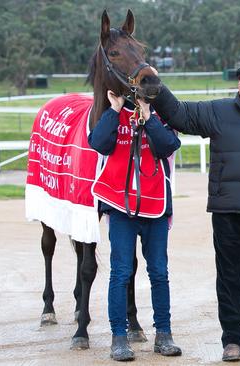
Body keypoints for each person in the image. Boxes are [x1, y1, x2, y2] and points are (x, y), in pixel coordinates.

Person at [148, 61, 240, 362]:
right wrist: (156, 86)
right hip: (228, 209)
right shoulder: (219, 112)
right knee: (230, 277)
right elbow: (179, 113)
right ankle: (232, 341)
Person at [88, 91, 182, 361]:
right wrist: (115, 109)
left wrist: (148, 115)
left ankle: (163, 333)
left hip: (155, 206)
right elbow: (99, 143)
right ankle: (119, 337)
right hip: (120, 206)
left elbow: (167, 146)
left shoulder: (160, 117)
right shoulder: (113, 116)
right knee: (121, 273)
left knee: (159, 272)